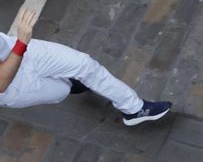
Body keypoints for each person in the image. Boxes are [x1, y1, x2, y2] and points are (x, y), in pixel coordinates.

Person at [0, 9, 171, 126]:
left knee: (85, 65)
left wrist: (19, 45)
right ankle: (72, 83)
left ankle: (134, 109)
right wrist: (21, 43)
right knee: (63, 90)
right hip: (15, 84)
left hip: (17, 49)